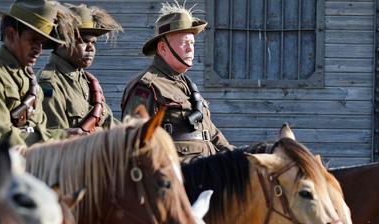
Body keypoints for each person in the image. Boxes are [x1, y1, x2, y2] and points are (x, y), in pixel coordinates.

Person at [121, 2, 233, 162]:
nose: (190, 49)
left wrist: (241, 158)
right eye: (184, 43)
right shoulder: (147, 86)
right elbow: (134, 146)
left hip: (207, 174)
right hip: (177, 179)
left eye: (192, 43)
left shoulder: (188, 86)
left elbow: (211, 134)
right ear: (163, 48)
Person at [0, 0, 78, 149]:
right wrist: (60, 138)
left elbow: (39, 131)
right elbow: (3, 141)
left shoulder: (29, 80)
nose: (39, 49)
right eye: (33, 40)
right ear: (11, 34)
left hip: (28, 164)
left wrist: (67, 136)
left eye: (42, 43)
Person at [39, 4, 122, 132]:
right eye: (83, 41)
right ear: (63, 43)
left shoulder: (87, 81)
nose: (91, 48)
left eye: (93, 42)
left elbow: (108, 122)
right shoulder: (49, 84)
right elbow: (59, 143)